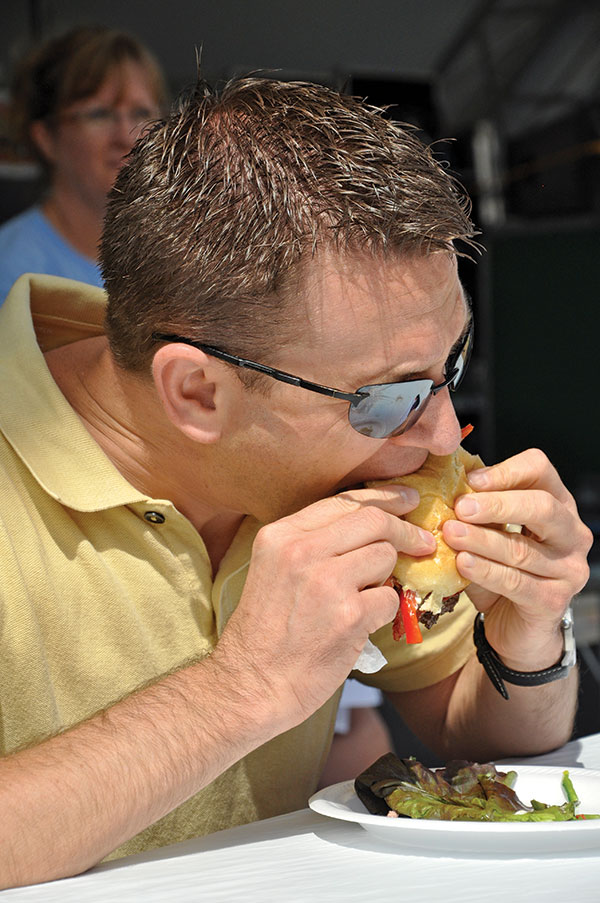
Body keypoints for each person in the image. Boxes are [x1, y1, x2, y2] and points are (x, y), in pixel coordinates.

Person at [0, 76, 591, 889]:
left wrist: (528, 635)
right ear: (196, 392)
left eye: (451, 361)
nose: (442, 430)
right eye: (388, 396)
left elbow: (477, 742)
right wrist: (244, 686)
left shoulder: (354, 470)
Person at [0, 25, 166, 302]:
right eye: (99, 114)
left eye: (141, 112)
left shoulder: (183, 256)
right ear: (46, 138)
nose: (127, 136)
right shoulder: (11, 273)